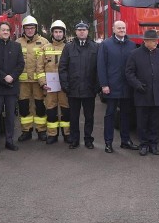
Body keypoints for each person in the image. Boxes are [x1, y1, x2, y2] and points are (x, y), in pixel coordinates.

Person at [125, 29, 159, 156]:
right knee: (142, 122)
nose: (156, 42)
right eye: (153, 40)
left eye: (156, 40)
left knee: (155, 122)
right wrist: (137, 85)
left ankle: (154, 145)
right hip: (142, 94)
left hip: (157, 95)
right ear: (145, 41)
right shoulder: (134, 54)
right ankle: (144, 145)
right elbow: (129, 73)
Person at [97, 20, 139, 153]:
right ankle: (108, 143)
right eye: (119, 28)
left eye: (123, 28)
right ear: (113, 30)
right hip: (111, 87)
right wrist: (104, 84)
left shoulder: (132, 45)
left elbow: (135, 67)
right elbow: (101, 66)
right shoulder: (106, 45)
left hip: (127, 87)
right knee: (110, 115)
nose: (122, 30)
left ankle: (125, 140)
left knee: (126, 115)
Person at [0, 21, 25, 153]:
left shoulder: (16, 46)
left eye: (7, 30)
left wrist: (12, 76)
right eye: (3, 30)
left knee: (10, 116)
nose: (5, 32)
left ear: (10, 32)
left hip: (11, 87)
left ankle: (9, 141)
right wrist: (4, 77)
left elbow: (20, 64)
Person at [59, 21, 100, 149]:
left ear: (88, 31)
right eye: (79, 30)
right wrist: (65, 85)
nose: (82, 32)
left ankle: (88, 140)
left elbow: (100, 68)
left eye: (84, 30)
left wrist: (97, 86)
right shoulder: (68, 47)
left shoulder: (95, 47)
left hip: (89, 89)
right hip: (73, 89)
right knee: (74, 117)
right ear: (76, 32)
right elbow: (63, 68)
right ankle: (74, 139)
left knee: (89, 117)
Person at [16, 16, 49, 142]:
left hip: (38, 82)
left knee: (40, 107)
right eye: (27, 28)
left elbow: (47, 63)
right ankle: (26, 131)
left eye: (32, 28)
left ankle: (41, 131)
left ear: (36, 29)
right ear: (24, 29)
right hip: (22, 82)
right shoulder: (17, 43)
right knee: (24, 108)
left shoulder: (44, 42)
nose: (30, 30)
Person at [39, 19, 71, 144]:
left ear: (64, 33)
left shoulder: (69, 48)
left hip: (64, 86)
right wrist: (43, 83)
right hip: (49, 87)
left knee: (66, 110)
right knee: (51, 110)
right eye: (56, 32)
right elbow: (40, 67)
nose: (58, 34)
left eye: (60, 32)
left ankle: (67, 134)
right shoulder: (44, 48)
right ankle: (52, 134)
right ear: (52, 33)